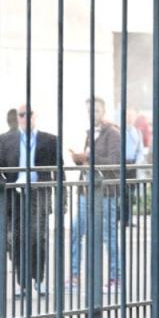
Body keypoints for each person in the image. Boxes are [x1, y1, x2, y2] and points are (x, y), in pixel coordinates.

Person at [0, 104, 58, 296]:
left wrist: (61, 200)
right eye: (21, 115)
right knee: (15, 240)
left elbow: (59, 171)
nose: (24, 118)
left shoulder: (49, 140)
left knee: (37, 238)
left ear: (35, 115)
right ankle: (22, 282)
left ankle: (38, 279)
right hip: (15, 194)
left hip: (38, 193)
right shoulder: (5, 140)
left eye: (28, 114)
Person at [69, 96, 122, 291]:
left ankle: (115, 277)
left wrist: (89, 157)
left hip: (106, 192)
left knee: (109, 235)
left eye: (96, 111)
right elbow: (88, 161)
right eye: (90, 111)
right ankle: (74, 276)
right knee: (76, 230)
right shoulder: (91, 133)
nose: (93, 114)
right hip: (86, 190)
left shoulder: (113, 133)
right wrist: (79, 159)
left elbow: (115, 162)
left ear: (104, 111)